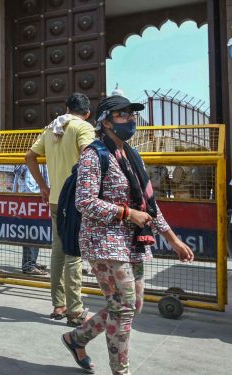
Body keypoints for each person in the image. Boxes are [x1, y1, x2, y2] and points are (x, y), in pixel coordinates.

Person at [60, 95, 194, 374]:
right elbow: (84, 201)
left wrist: (172, 239)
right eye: (122, 115)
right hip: (103, 242)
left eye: (132, 115)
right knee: (123, 309)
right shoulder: (93, 154)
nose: (130, 120)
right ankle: (121, 370)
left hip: (132, 242)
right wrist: (125, 213)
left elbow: (149, 205)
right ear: (105, 122)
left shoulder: (132, 157)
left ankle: (77, 338)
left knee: (132, 305)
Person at [25, 92, 94, 326]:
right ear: (87, 113)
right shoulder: (83, 127)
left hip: (56, 198)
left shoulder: (52, 127)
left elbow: (29, 156)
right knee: (73, 254)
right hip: (75, 199)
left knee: (58, 251)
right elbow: (88, 157)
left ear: (66, 107)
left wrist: (43, 187)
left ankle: (58, 305)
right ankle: (75, 310)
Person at [14, 164, 49, 275]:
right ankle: (29, 265)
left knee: (37, 231)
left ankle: (32, 262)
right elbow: (30, 186)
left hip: (34, 198)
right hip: (32, 199)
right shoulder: (34, 159)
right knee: (32, 232)